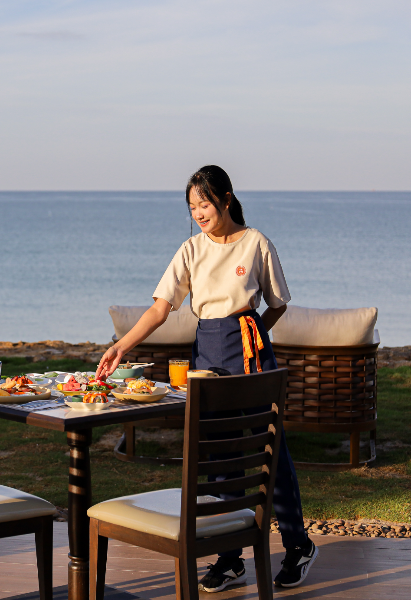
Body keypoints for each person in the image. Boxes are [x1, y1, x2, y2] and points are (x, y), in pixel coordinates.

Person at [96, 165, 318, 593]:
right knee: (219, 457)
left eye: (205, 204)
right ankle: (230, 556)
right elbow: (160, 308)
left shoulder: (256, 243)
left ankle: (298, 545)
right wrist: (122, 346)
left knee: (271, 450)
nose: (198, 213)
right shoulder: (191, 250)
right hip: (208, 354)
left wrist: (253, 334)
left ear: (226, 199)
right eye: (192, 206)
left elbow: (277, 303)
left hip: (252, 356)